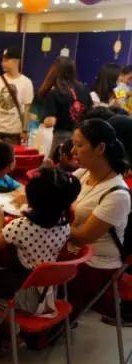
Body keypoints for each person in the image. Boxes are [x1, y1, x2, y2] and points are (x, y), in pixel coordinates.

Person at [0, 168, 81, 354]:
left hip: (24, 296)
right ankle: (8, 336)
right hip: (48, 294)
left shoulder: (21, 226)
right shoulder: (65, 226)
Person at [68, 118, 131, 317]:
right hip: (71, 251)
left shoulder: (117, 194)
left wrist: (50, 219)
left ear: (100, 148)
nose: (73, 151)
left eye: (79, 145)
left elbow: (81, 237)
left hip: (95, 265)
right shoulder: (83, 173)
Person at [39, 57, 92, 156]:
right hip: (82, 137)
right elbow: (89, 113)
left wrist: (43, 121)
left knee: (58, 163)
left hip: (62, 137)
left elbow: (50, 121)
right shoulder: (84, 89)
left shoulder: (55, 92)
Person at [0, 47, 34, 145]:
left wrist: (25, 130)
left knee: (11, 155)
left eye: (6, 60)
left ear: (16, 61)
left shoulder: (26, 83)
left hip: (14, 132)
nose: (2, 63)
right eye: (2, 60)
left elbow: (27, 109)